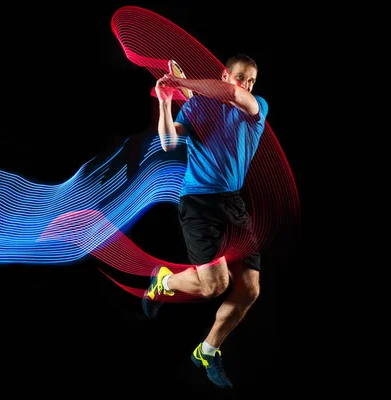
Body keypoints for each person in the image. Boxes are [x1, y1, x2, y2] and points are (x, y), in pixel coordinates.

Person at [142, 53, 268, 389]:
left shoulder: (256, 107)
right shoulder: (198, 107)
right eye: (242, 77)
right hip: (198, 203)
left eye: (253, 80)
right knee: (215, 286)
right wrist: (168, 103)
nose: (248, 85)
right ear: (226, 74)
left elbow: (232, 97)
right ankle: (163, 283)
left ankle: (207, 351)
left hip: (232, 204)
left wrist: (180, 83)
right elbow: (169, 142)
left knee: (250, 290)